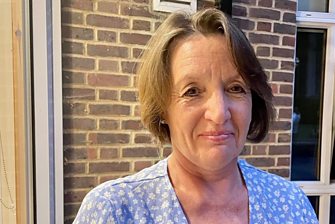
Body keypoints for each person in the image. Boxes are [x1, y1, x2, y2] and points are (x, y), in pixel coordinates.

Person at [73, 8, 319, 224]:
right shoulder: (114, 211)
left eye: (235, 88)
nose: (219, 113)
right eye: (192, 92)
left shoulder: (291, 205)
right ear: (162, 108)